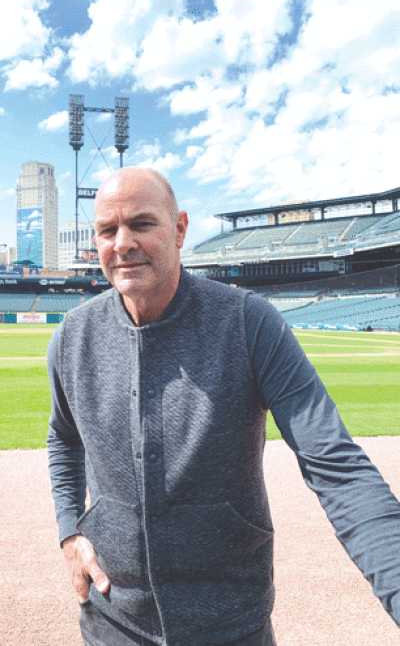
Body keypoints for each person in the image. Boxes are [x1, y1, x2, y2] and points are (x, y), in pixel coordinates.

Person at [47, 167, 400, 646]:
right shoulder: (72, 338)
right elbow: (63, 438)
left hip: (231, 623)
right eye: (108, 230)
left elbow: (336, 464)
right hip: (112, 623)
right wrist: (70, 530)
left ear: (179, 229)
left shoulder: (248, 323)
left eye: (142, 224)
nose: (123, 243)